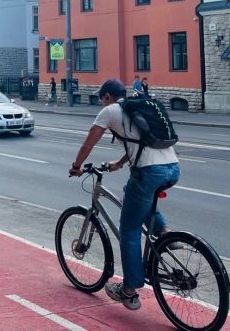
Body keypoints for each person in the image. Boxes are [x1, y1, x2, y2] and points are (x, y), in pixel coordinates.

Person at [68, 79, 179, 311]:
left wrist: (77, 166)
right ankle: (165, 233)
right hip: (172, 167)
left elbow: (89, 142)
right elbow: (142, 142)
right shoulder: (137, 106)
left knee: (129, 230)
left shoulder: (109, 111)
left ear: (107, 96)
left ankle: (129, 291)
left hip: (148, 171)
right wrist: (119, 163)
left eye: (101, 97)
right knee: (136, 193)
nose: (101, 101)